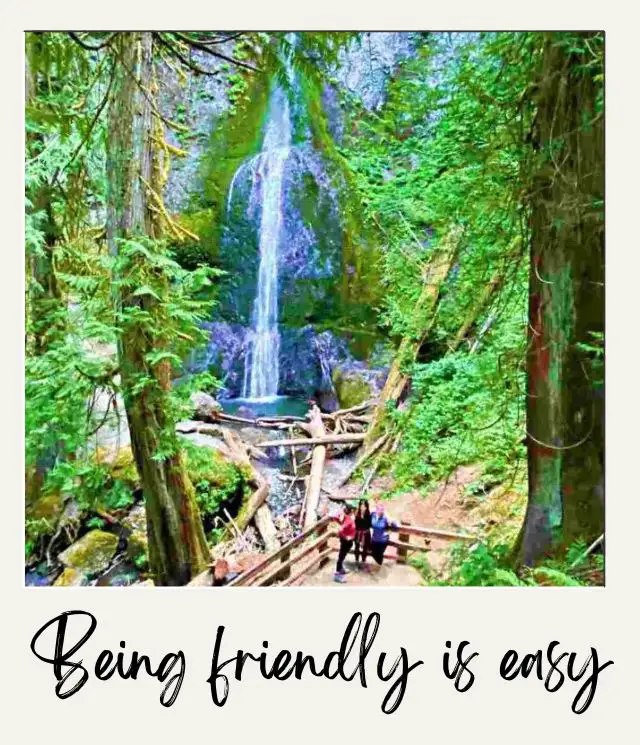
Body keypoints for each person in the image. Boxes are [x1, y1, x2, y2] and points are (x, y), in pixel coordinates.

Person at [331, 503, 356, 583]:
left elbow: (336, 517)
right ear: (351, 511)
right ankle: (338, 575)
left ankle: (341, 569)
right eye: (353, 509)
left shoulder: (346, 517)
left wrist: (337, 518)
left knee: (342, 555)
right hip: (346, 541)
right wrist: (345, 537)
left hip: (347, 541)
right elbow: (340, 530)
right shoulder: (348, 520)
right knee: (341, 556)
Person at [369, 502, 398, 568]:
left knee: (379, 555)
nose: (381, 511)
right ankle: (378, 566)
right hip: (374, 539)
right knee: (373, 553)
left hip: (383, 540)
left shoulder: (385, 518)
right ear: (376, 509)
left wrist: (389, 532)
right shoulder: (372, 514)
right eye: (379, 509)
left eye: (382, 509)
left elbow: (395, 527)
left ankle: (379, 567)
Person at [354, 499, 372, 571]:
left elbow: (369, 525)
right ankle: (356, 563)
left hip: (366, 533)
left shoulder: (368, 515)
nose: (362, 507)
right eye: (361, 505)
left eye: (364, 505)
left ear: (367, 506)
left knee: (365, 549)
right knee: (357, 548)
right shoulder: (357, 514)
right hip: (358, 533)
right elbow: (356, 524)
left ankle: (363, 562)